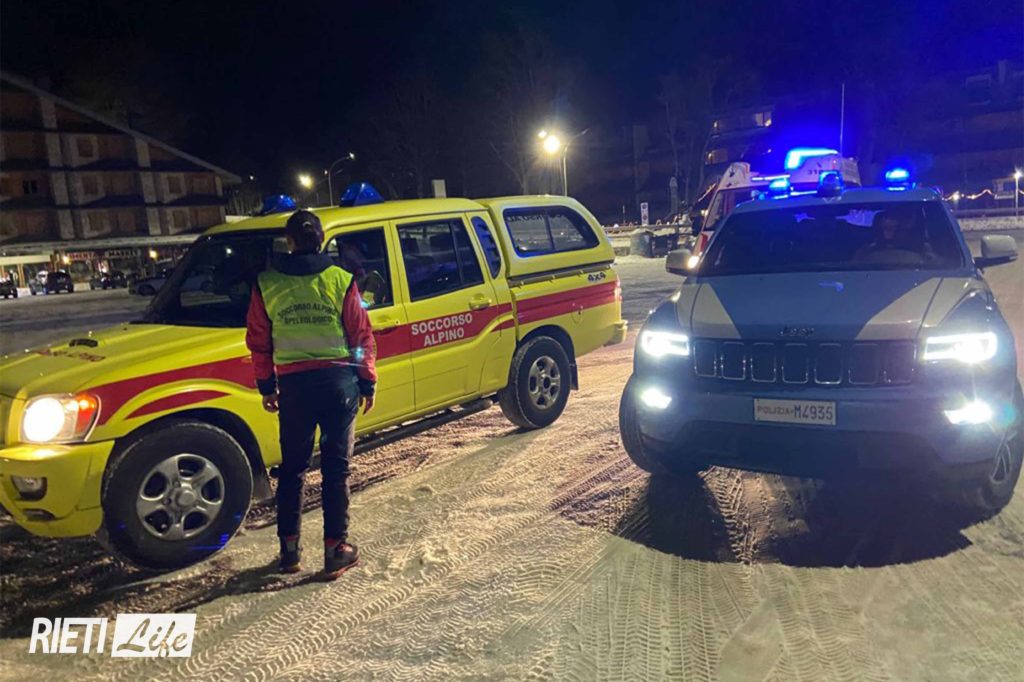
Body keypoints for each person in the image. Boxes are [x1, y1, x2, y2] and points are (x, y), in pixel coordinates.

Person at [245, 210, 377, 579]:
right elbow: (361, 336)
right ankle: (336, 550)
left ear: (288, 242)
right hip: (338, 386)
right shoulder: (340, 280)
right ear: (321, 240)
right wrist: (367, 382)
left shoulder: (266, 283)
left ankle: (289, 552)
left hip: (294, 389)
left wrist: (267, 386)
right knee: (336, 469)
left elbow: (259, 341)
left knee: (293, 470)